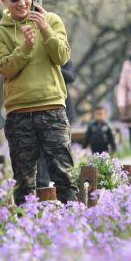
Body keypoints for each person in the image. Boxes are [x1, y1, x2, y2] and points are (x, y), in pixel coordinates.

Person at [0, 0, 78, 204]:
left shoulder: (52, 20)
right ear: (3, 1)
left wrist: (45, 30)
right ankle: (25, 234)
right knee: (24, 182)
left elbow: (62, 57)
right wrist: (26, 47)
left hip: (53, 109)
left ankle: (77, 231)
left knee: (64, 176)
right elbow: (5, 68)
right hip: (19, 115)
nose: (22, 3)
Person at [37, 60, 76, 188]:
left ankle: (64, 186)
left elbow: (71, 76)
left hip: (62, 108)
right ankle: (43, 184)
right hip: (40, 105)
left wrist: (52, 69)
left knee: (61, 148)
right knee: (42, 148)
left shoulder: (61, 56)